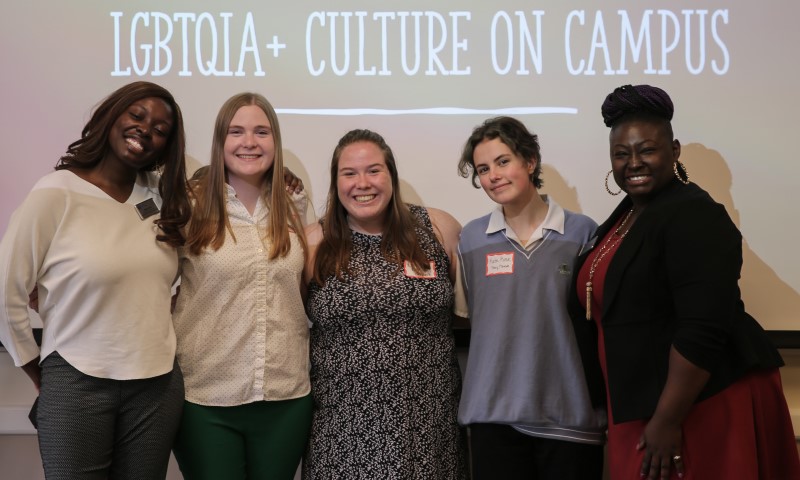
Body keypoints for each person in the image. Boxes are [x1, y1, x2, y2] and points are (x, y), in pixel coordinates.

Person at [568, 84, 800, 480]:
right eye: (621, 154)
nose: (633, 162)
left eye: (647, 150)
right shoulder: (630, 212)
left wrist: (666, 420)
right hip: (643, 400)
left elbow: (703, 328)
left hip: (697, 403)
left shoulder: (694, 214)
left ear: (674, 151)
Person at [0, 81, 190, 479]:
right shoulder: (56, 193)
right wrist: (37, 369)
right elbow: (6, 292)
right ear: (111, 116)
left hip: (156, 385)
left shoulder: (160, 198)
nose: (146, 130)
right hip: (76, 380)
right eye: (136, 116)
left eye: (160, 128)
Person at [302, 129, 467, 479]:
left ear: (391, 175)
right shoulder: (313, 243)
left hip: (427, 427)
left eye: (374, 170)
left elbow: (472, 316)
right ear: (336, 182)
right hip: (342, 431)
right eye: (349, 173)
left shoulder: (438, 229)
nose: (363, 183)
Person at [455, 116, 606, 479]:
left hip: (570, 417)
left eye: (503, 161)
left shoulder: (583, 232)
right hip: (493, 417)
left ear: (530, 161)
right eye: (483, 168)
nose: (493, 175)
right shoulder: (471, 239)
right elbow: (472, 316)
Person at [171, 92, 312, 480]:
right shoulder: (189, 206)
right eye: (236, 131)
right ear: (220, 142)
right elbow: (152, 281)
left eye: (261, 132)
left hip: (286, 396)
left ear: (275, 142)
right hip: (206, 399)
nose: (249, 142)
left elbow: (305, 291)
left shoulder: (294, 207)